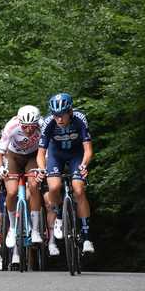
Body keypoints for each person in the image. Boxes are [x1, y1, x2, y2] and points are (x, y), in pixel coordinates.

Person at [37, 93, 94, 254]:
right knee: (54, 187)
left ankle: (87, 237)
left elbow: (88, 150)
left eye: (62, 115)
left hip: (76, 154)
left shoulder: (80, 118)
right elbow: (41, 153)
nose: (59, 119)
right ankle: (59, 216)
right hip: (56, 155)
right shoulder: (49, 122)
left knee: (79, 189)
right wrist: (42, 168)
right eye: (55, 115)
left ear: (70, 112)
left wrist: (84, 164)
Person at [0, 105, 44, 265]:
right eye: (25, 126)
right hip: (13, 156)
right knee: (11, 191)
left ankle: (35, 230)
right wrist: (1, 168)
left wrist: (43, 167)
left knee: (34, 186)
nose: (29, 130)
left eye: (32, 126)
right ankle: (12, 228)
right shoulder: (11, 126)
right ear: (19, 122)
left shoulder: (42, 125)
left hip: (32, 157)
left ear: (37, 123)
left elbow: (47, 149)